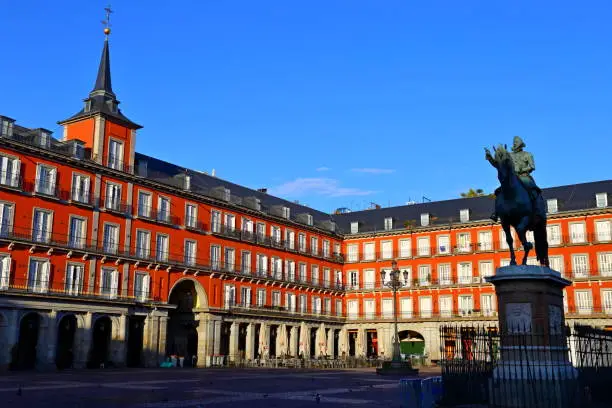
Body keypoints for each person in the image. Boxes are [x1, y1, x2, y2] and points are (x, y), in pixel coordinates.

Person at [485, 136, 542, 221]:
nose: (514, 144)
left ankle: (537, 210)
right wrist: (490, 158)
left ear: (521, 144)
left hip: (524, 176)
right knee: (499, 191)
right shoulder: (509, 155)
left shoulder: (528, 154)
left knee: (533, 190)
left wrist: (522, 169)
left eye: (516, 142)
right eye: (514, 142)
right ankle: (496, 212)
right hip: (512, 178)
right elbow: (499, 165)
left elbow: (532, 166)